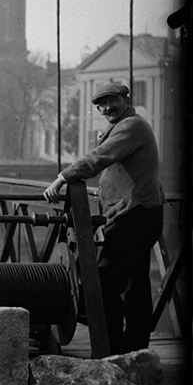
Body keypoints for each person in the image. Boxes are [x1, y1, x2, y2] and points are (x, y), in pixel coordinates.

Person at [43, 81, 165, 354]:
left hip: (135, 215)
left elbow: (101, 157)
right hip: (138, 213)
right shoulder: (122, 126)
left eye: (112, 101)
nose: (106, 107)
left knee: (104, 281)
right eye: (101, 105)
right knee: (135, 283)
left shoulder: (131, 126)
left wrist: (63, 177)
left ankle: (110, 350)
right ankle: (134, 350)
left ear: (126, 99)